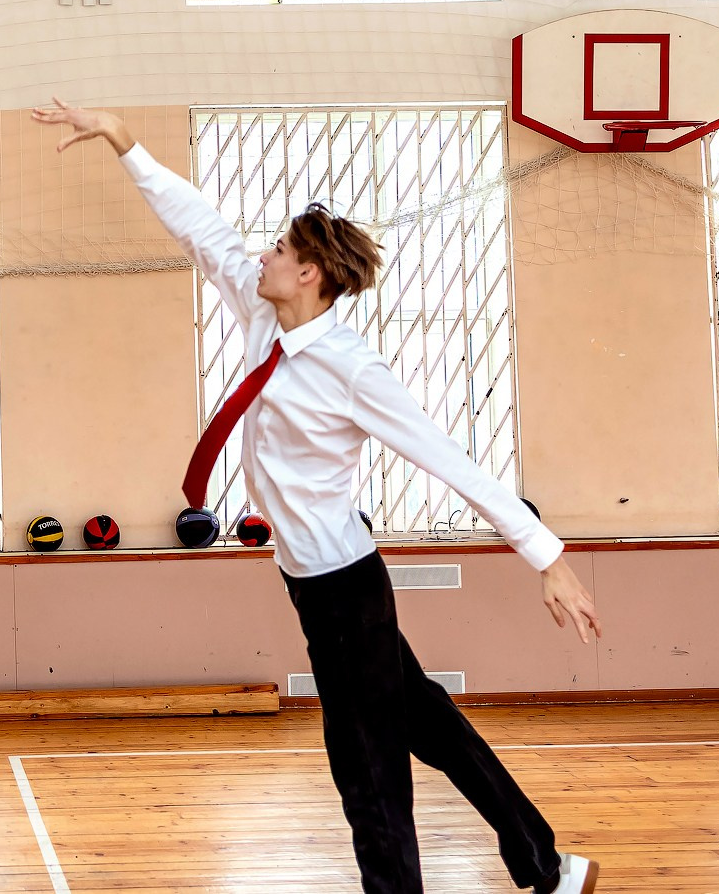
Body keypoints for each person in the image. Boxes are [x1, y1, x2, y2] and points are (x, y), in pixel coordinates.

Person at [31, 98, 604, 894]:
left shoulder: (352, 368)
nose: (260, 254)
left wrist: (549, 556)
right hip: (314, 582)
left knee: (366, 766)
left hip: (344, 589)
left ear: (311, 273)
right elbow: (197, 224)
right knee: (424, 722)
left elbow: (449, 459)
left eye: (279, 248)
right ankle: (547, 863)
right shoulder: (260, 313)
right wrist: (124, 140)